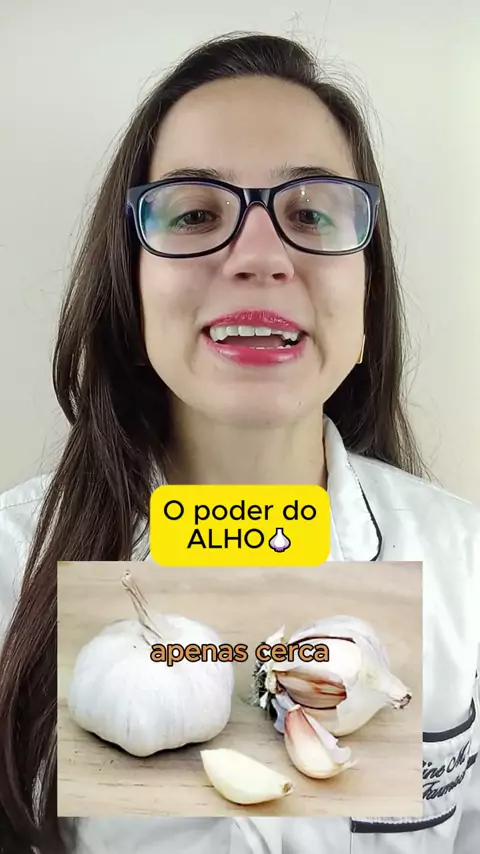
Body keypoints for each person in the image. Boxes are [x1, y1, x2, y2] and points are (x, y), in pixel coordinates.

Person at [0, 30, 478, 854]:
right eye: (195, 214)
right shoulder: (11, 570)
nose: (260, 257)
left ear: (368, 292)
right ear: (131, 287)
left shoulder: (466, 567)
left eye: (311, 213)